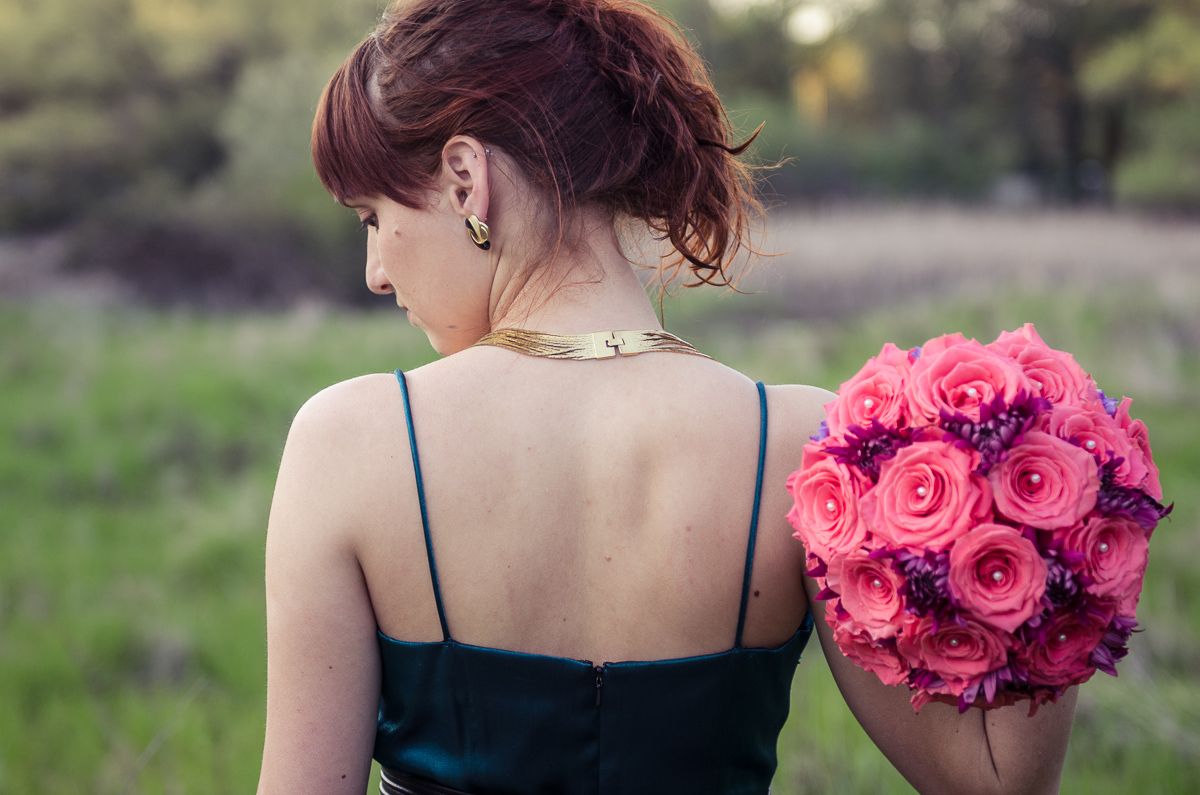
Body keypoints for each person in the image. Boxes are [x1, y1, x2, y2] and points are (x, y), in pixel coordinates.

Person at [256, 1, 1077, 793]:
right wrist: (1053, 523)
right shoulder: (804, 443)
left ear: (467, 180)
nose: (375, 271)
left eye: (371, 216)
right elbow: (993, 782)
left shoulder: (351, 442)